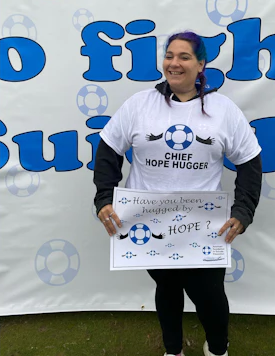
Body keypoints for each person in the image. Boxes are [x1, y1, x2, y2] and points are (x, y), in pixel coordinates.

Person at [93, 31, 263, 356]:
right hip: (149, 223)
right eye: (169, 55)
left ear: (201, 64)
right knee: (167, 288)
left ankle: (217, 349)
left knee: (208, 294)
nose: (174, 63)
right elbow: (108, 151)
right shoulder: (139, 106)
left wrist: (243, 211)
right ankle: (172, 350)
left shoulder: (223, 110)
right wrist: (105, 198)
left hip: (203, 227)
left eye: (184, 57)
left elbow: (250, 162)